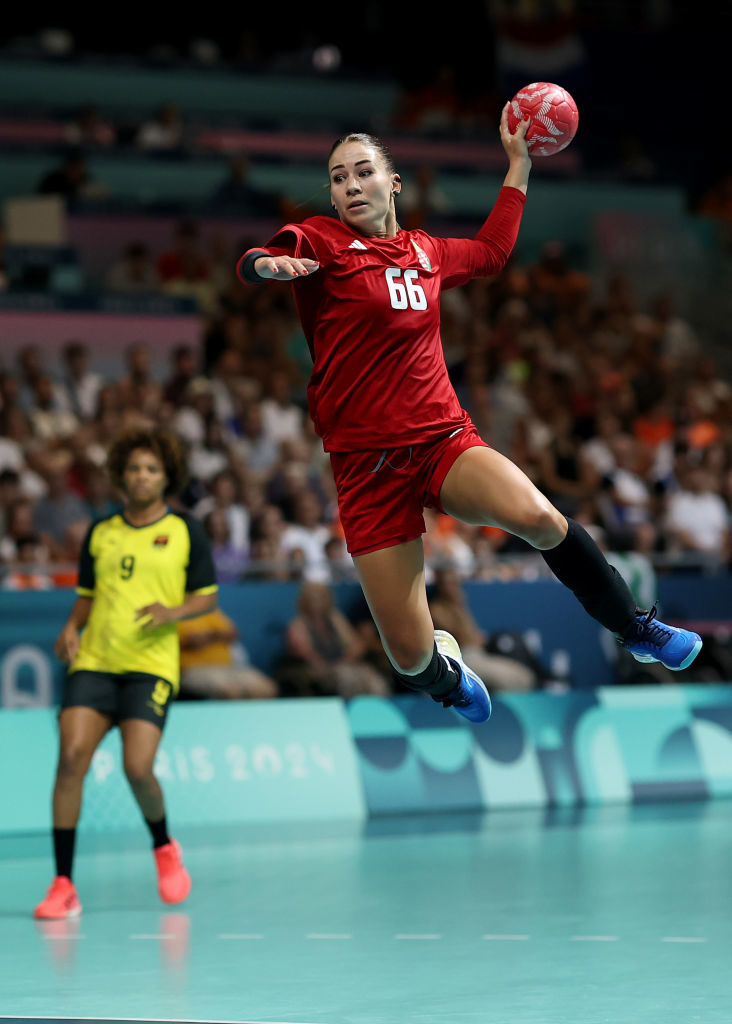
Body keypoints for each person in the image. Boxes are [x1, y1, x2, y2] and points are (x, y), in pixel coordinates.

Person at [235, 107, 702, 725]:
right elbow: (256, 259)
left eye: (363, 172)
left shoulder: (426, 251)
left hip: (441, 440)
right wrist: (269, 265)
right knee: (408, 658)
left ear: (392, 182)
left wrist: (519, 165)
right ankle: (446, 677)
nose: (350, 185)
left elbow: (489, 253)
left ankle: (636, 627)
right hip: (365, 470)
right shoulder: (322, 240)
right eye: (338, 177)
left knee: (539, 516)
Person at [33, 428, 219, 920]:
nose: (142, 476)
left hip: (150, 668)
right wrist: (72, 627)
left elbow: (208, 597)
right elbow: (86, 595)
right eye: (135, 468)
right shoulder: (101, 531)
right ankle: (63, 885)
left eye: (152, 469)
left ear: (167, 477)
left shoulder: (185, 530)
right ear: (122, 474)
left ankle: (163, 846)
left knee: (138, 768)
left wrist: (171, 612)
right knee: (71, 757)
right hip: (95, 659)